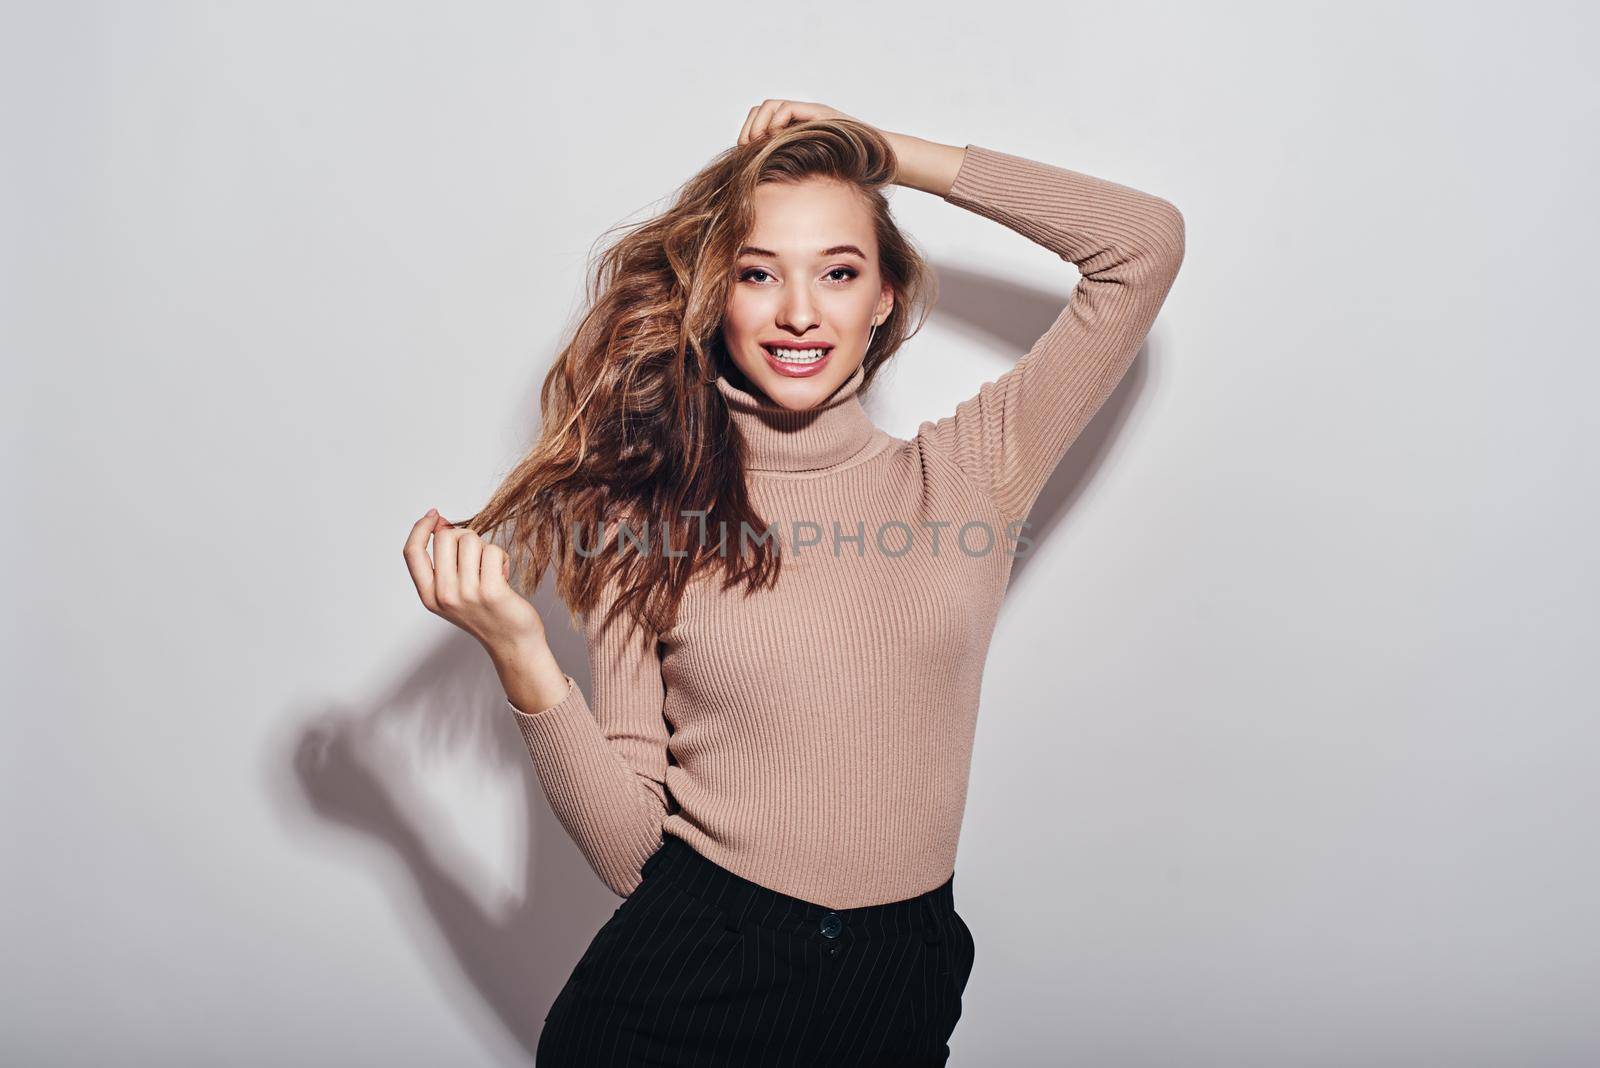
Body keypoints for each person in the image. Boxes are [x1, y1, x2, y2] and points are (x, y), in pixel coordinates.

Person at [402, 99, 1185, 1066]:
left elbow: (1141, 246)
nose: (801, 312)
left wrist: (881, 154)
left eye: (839, 272)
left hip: (897, 979)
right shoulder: (640, 522)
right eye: (757, 273)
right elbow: (630, 856)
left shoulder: (969, 474)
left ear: (886, 297)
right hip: (685, 978)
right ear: (712, 297)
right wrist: (520, 655)